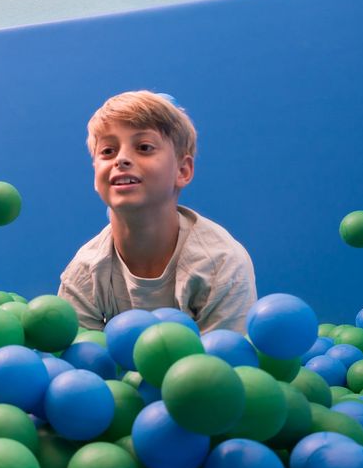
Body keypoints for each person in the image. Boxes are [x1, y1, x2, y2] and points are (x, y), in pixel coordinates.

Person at [57, 91, 257, 333]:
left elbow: (222, 354)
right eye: (108, 151)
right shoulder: (85, 271)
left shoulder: (221, 263)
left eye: (144, 147)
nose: (121, 159)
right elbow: (81, 353)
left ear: (182, 171)